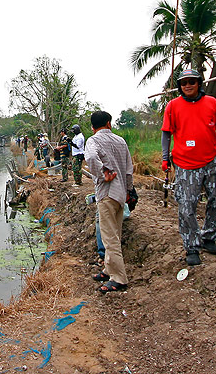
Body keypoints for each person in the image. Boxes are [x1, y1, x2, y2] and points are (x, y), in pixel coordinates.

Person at [162, 69, 216, 267]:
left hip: (211, 160)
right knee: (187, 206)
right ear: (180, 86)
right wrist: (165, 158)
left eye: (192, 82)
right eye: (183, 82)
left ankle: (209, 237)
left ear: (199, 83)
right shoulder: (172, 106)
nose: (187, 85)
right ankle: (192, 246)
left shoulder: (212, 103)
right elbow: (166, 134)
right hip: (185, 164)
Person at [85, 110, 133, 293]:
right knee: (116, 234)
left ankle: (119, 278)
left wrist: (102, 173)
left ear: (93, 127)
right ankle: (108, 269)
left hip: (106, 194)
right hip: (121, 195)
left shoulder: (93, 140)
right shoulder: (121, 141)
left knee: (109, 237)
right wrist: (129, 190)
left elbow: (90, 158)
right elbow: (129, 169)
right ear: (108, 124)